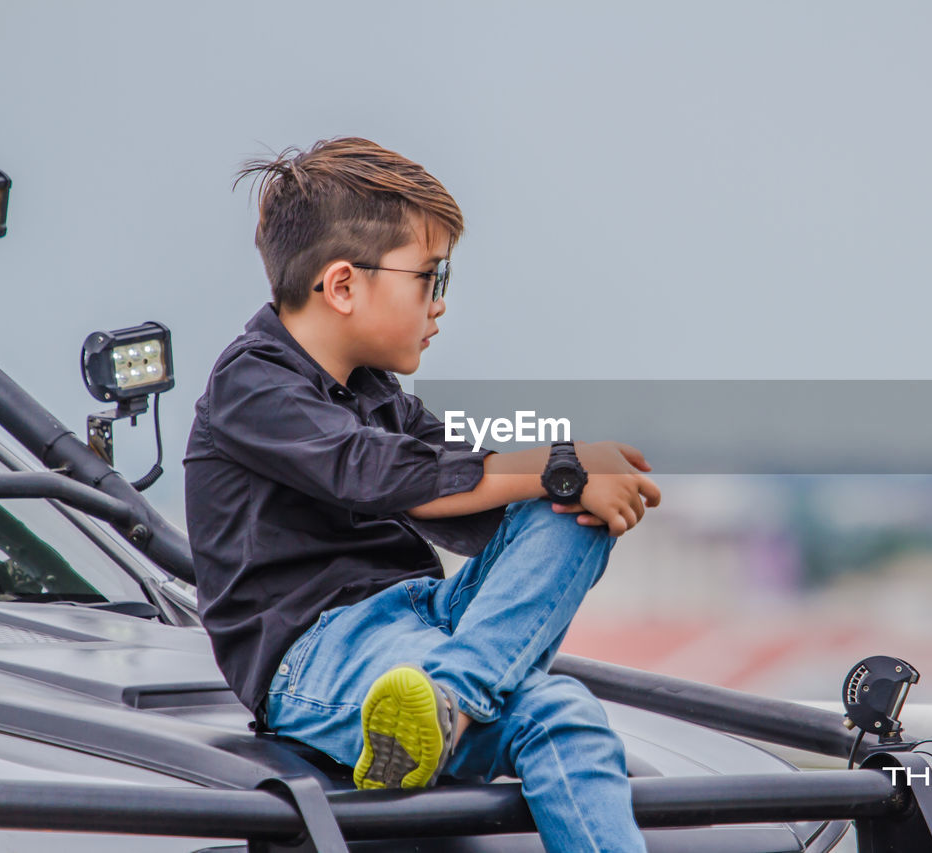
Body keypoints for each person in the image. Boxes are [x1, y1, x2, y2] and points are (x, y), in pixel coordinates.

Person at [183, 137, 661, 852]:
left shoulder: (376, 391)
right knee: (557, 710)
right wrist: (564, 461)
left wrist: (576, 482)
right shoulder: (251, 386)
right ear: (343, 285)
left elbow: (458, 485)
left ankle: (448, 699)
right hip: (319, 657)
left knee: (568, 513)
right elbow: (375, 472)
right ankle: (452, 696)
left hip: (423, 629)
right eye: (429, 278)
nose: (440, 304)